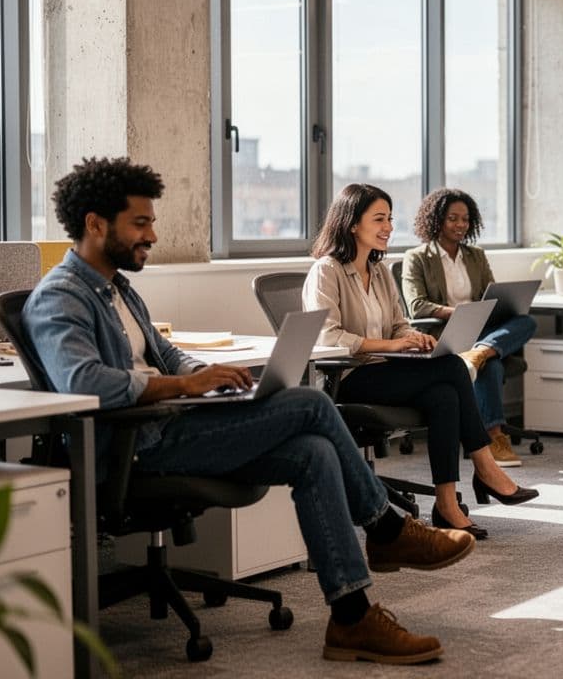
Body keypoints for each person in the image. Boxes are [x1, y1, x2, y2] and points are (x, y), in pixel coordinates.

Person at [24, 157, 474, 664]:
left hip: (172, 424)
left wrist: (208, 376)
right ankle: (386, 529)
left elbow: (166, 354)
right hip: (137, 445)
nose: (152, 233)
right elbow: (81, 382)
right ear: (95, 224)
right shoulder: (60, 297)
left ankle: (351, 617)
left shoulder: (118, 288)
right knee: (310, 401)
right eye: (141, 222)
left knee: (312, 453)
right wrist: (184, 383)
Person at [303, 183, 539, 540]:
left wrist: (412, 338)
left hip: (386, 368)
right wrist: (393, 344)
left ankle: (447, 505)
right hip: (348, 376)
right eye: (379, 219)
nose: (388, 227)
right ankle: (485, 465)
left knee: (444, 394)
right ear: (352, 223)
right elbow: (328, 337)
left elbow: (399, 321)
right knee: (454, 367)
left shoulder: (379, 270)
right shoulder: (327, 270)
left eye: (390, 219)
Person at [402, 188, 538, 468]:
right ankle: (494, 437)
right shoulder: (417, 257)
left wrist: (496, 309)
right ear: (437, 220)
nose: (460, 225)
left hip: (482, 330)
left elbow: (492, 295)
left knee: (526, 321)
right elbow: (417, 306)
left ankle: (477, 354)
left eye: (465, 219)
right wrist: (462, 314)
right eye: (453, 218)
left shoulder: (475, 255)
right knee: (493, 365)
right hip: (446, 333)